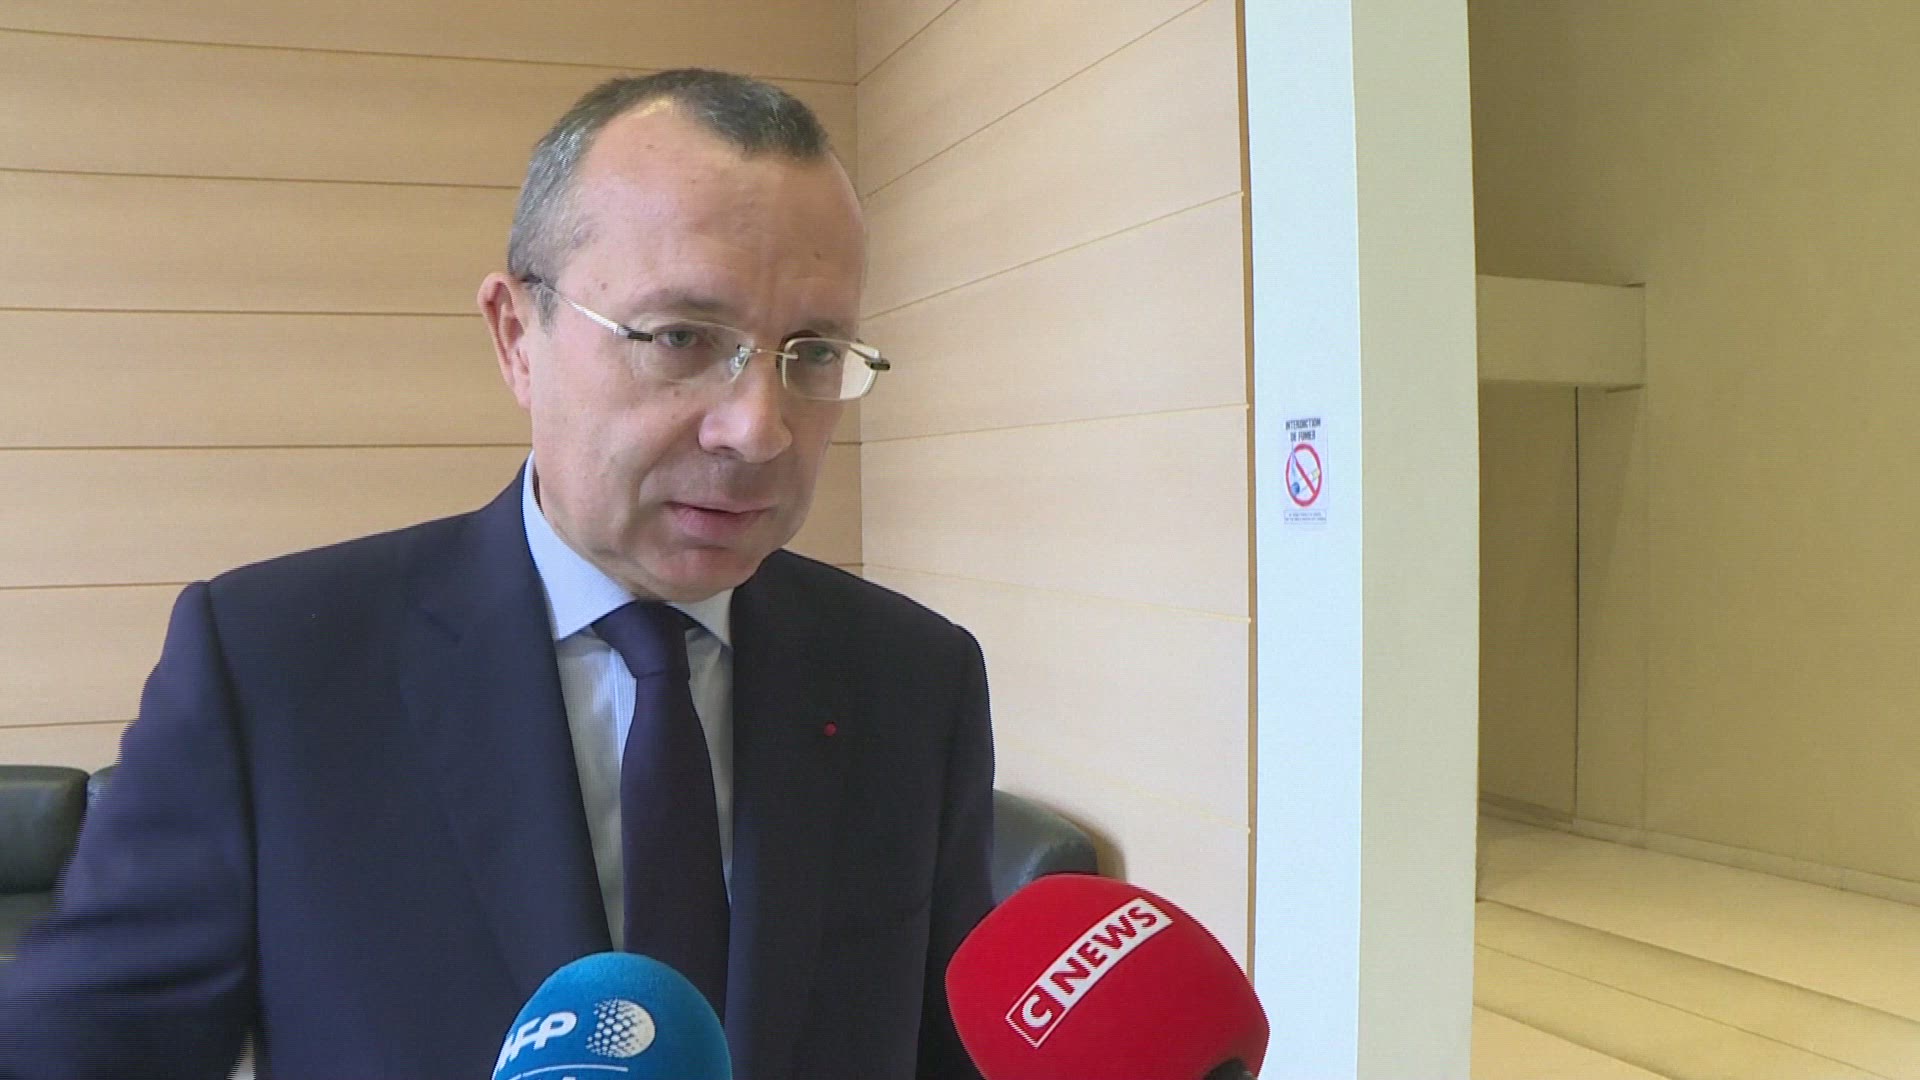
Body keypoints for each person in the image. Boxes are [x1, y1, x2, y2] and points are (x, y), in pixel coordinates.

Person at [0, 70, 993, 1080]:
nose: (758, 430)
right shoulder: (271, 663)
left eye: (813, 353)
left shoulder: (916, 678)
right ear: (518, 338)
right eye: (683, 337)